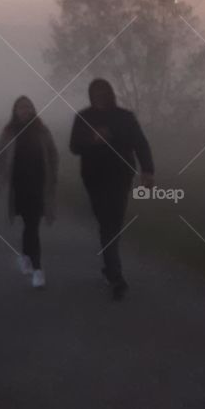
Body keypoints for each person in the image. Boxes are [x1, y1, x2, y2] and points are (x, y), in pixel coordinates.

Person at [70, 77, 154, 301]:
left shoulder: (125, 117)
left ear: (110, 93)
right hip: (94, 179)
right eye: (95, 92)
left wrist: (148, 170)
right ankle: (110, 268)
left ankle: (116, 276)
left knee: (111, 224)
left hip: (120, 177)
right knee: (105, 222)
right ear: (90, 95)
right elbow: (74, 147)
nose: (99, 96)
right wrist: (92, 138)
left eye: (102, 92)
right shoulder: (83, 117)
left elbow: (140, 143)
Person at [0, 96, 58, 289]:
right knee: (29, 225)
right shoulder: (9, 132)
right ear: (15, 111)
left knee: (32, 225)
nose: (25, 110)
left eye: (28, 107)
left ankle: (37, 270)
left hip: (38, 185)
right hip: (18, 186)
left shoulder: (42, 131)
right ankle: (25, 256)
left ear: (33, 109)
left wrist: (53, 178)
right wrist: (1, 178)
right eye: (21, 107)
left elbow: (53, 154)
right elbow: (0, 156)